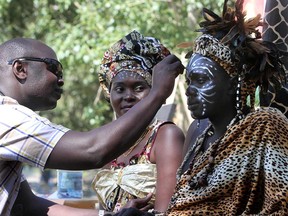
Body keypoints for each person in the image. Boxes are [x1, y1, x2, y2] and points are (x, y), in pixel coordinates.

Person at [113, 0, 288, 215]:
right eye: (189, 81)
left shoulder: (265, 125)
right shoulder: (198, 134)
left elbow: (280, 207)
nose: (189, 90)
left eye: (201, 80)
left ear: (234, 83)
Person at [0, 37, 184, 215]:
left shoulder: (165, 135)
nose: (61, 80)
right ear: (20, 68)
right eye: (54, 68)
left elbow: (27, 204)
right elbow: (92, 150)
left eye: (139, 88)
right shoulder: (7, 118)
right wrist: (158, 93)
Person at [92, 31, 185, 215]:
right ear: (109, 94)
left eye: (139, 87)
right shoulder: (106, 141)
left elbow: (168, 212)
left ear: (155, 91)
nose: (128, 96)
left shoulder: (165, 136)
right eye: (119, 89)